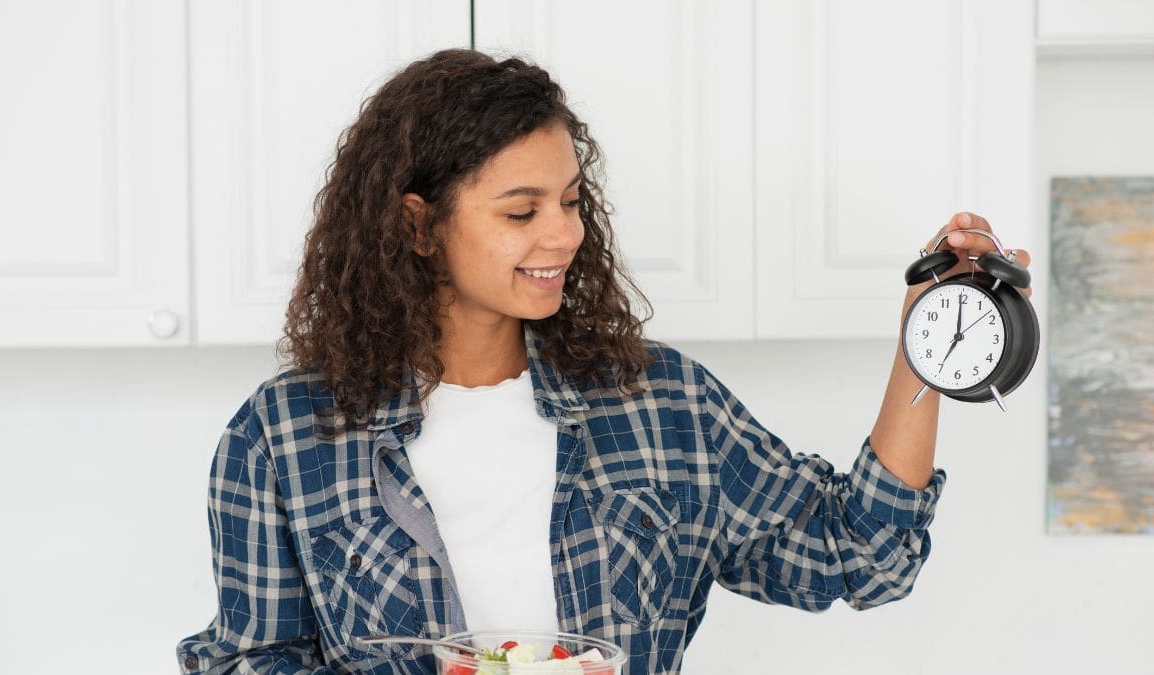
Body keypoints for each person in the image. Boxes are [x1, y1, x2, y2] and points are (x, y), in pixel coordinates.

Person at [177, 48, 1032, 674]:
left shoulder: (659, 402)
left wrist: (927, 348)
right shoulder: (284, 436)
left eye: (571, 199)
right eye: (522, 211)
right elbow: (248, 662)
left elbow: (862, 554)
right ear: (416, 226)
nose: (565, 234)